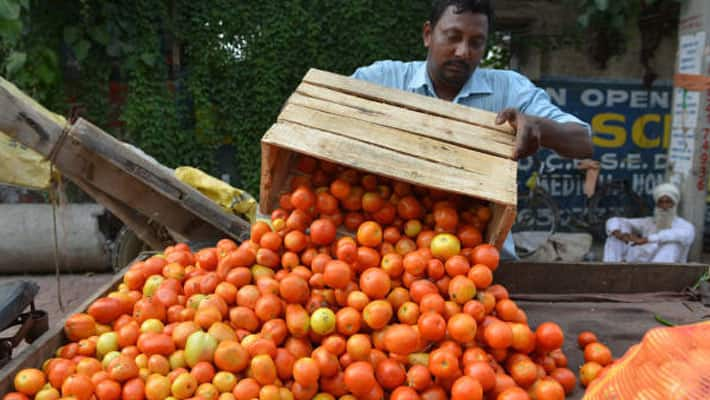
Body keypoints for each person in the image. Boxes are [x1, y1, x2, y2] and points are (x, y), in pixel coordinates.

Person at [351, 0, 593, 260]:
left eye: (476, 42)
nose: (463, 52)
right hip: (391, 255)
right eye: (453, 37)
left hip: (484, 260)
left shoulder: (509, 89)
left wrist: (539, 126)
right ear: (428, 35)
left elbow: (582, 141)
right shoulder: (382, 80)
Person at [603, 182, 695, 263]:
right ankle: (611, 270)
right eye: (661, 202)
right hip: (642, 265)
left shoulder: (685, 226)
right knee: (614, 238)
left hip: (668, 270)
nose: (664, 206)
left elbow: (676, 235)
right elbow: (616, 220)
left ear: (674, 204)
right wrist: (619, 233)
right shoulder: (649, 222)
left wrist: (647, 239)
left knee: (671, 244)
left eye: (668, 202)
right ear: (657, 204)